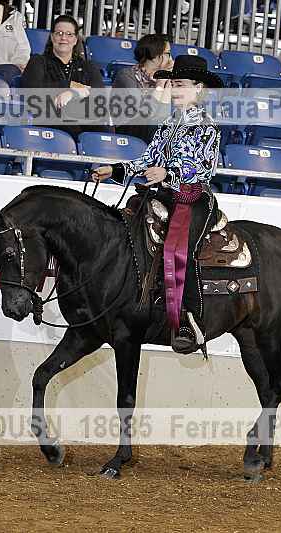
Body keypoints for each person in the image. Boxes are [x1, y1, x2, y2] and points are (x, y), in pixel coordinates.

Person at [91, 55, 223, 355]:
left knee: (182, 248)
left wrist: (168, 173)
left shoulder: (207, 126)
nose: (174, 89)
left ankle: (189, 318)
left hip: (193, 197)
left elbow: (203, 168)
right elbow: (148, 158)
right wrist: (116, 169)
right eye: (173, 84)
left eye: (181, 84)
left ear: (198, 88)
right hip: (164, 195)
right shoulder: (168, 123)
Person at [21, 14, 104, 136]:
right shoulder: (38, 61)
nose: (63, 37)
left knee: (104, 126)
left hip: (82, 117)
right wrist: (69, 85)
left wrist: (72, 93)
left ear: (75, 40)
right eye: (59, 33)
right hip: (49, 117)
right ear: (52, 37)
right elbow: (32, 92)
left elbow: (99, 93)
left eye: (69, 34)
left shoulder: (88, 66)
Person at [112, 33, 173, 143]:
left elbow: (164, 115)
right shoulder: (126, 76)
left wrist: (166, 85)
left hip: (151, 128)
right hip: (127, 128)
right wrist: (159, 86)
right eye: (168, 53)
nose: (171, 59)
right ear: (155, 56)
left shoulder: (164, 79)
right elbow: (144, 114)